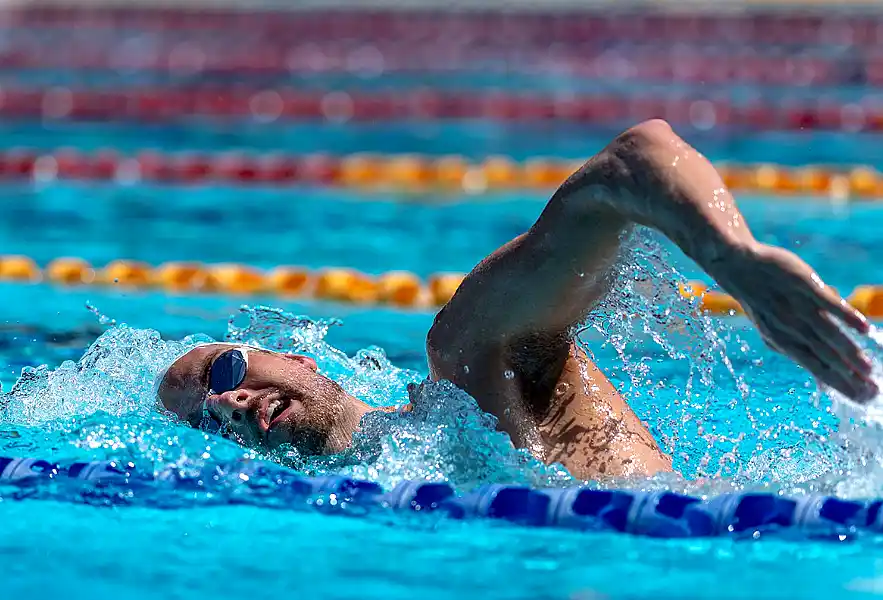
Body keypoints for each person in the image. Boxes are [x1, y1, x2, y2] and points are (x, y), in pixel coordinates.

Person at [158, 120, 877, 481]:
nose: (226, 404)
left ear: (298, 358)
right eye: (204, 422)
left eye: (224, 371)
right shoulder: (393, 492)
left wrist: (733, 259)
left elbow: (631, 161)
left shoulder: (469, 367)